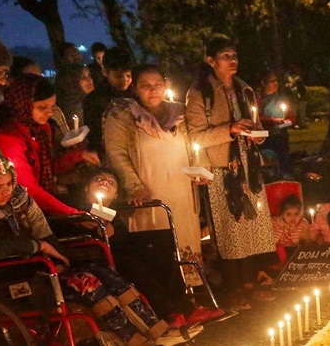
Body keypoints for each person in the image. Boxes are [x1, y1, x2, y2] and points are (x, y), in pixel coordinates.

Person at [0, 151, 171, 346]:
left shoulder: (21, 199)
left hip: (42, 269)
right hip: (11, 281)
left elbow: (45, 233)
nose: (6, 192)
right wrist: (37, 247)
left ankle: (157, 330)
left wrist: (61, 259)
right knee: (86, 282)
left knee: (102, 270)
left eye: (9, 183)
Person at [185, 34, 275, 310]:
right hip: (222, 170)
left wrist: (256, 135)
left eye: (234, 55)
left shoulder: (244, 90)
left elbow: (254, 122)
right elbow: (194, 136)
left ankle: (251, 282)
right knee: (229, 230)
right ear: (210, 60)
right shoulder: (201, 94)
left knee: (252, 228)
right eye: (225, 56)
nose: (232, 60)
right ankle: (234, 287)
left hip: (247, 167)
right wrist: (230, 130)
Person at [103, 64, 205, 289]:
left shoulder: (180, 112)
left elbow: (196, 146)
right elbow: (117, 154)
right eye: (145, 85)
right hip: (149, 191)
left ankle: (190, 289)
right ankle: (164, 294)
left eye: (158, 84)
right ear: (135, 88)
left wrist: (200, 168)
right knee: (156, 241)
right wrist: (134, 186)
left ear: (166, 85)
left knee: (184, 236)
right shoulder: (122, 115)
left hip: (182, 191)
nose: (153, 90)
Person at [0, 74, 99, 217]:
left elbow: (48, 168)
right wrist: (73, 215)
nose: (49, 113)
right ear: (22, 104)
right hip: (20, 214)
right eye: (42, 107)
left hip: (43, 205)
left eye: (51, 106)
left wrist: (78, 155)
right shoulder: (7, 140)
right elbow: (29, 190)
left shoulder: (40, 129)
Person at [83, 45, 134, 158]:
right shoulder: (94, 100)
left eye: (128, 75)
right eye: (118, 76)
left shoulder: (137, 94)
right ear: (105, 72)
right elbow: (94, 136)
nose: (124, 80)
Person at [258, 70, 293, 177]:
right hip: (264, 138)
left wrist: (285, 123)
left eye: (276, 81)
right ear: (264, 83)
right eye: (271, 81)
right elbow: (256, 117)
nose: (275, 83)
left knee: (282, 163)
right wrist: (272, 120)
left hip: (280, 137)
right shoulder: (258, 99)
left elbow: (291, 118)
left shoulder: (281, 99)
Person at [271, 195, 312, 264]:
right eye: (288, 214)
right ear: (283, 214)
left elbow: (307, 241)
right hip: (276, 254)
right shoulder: (274, 223)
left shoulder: (303, 224)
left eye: (296, 214)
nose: (293, 218)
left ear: (301, 213)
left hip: (293, 252)